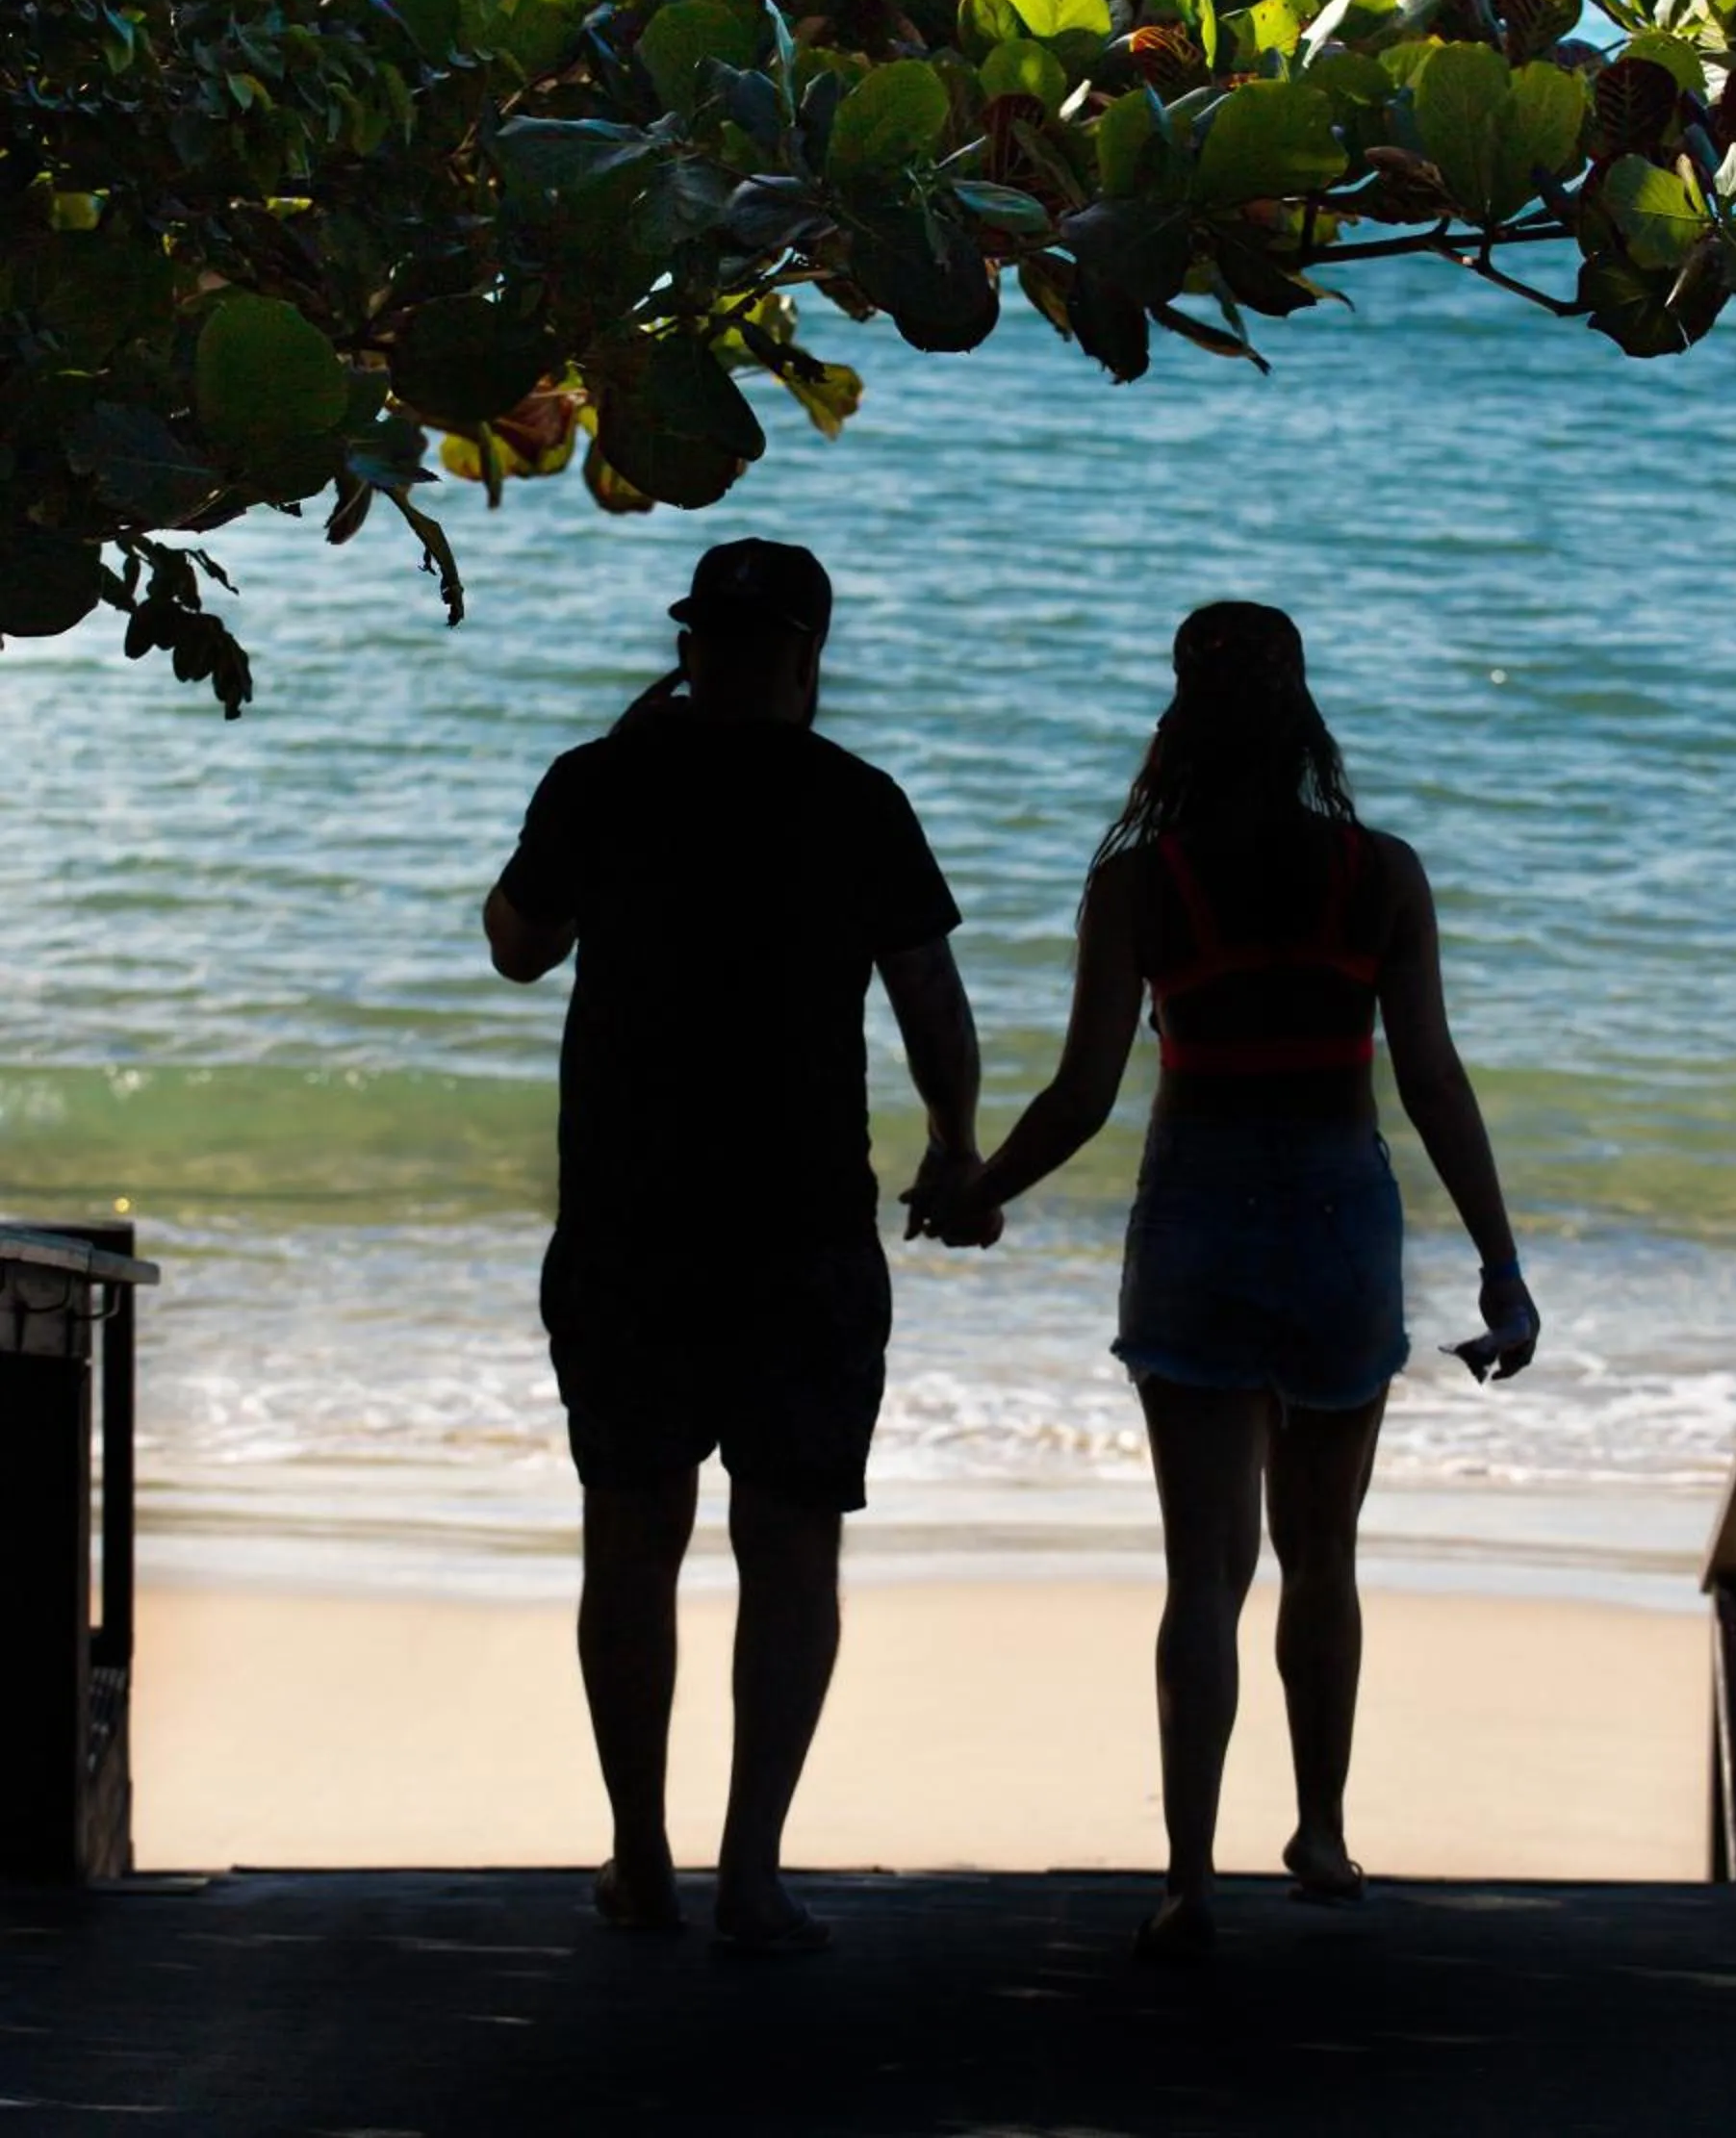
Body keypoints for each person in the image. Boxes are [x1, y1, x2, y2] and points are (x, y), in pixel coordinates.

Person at [914, 601, 1540, 1960]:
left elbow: (1083, 1094)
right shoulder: (1382, 875)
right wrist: (1500, 1266)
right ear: (1305, 715)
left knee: (1205, 1572)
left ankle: (1190, 1877)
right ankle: (1317, 1833)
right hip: (1337, 1218)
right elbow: (1430, 1079)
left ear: (1179, 719)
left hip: (1196, 1208)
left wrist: (977, 1191)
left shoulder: (1144, 880)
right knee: (1325, 1554)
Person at [486, 538, 982, 1956]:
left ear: (694, 643)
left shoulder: (603, 780)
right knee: (791, 1548)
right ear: (810, 655)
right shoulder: (856, 802)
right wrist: (956, 1147)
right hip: (805, 1222)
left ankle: (642, 1857)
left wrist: (607, 792)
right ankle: (750, 1873)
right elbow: (929, 997)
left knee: (632, 1544)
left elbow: (517, 946)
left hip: (631, 1221)